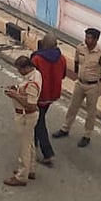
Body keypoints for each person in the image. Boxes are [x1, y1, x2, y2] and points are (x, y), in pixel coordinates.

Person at [53, 28, 101, 147]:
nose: (87, 40)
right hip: (80, 83)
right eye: (86, 37)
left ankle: (87, 135)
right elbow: (76, 61)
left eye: (90, 38)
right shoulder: (80, 48)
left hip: (93, 86)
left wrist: (98, 79)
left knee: (91, 111)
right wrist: (78, 73)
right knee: (72, 106)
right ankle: (65, 128)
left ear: (96, 39)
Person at [3, 56, 42, 186]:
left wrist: (15, 95)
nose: (18, 72)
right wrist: (16, 88)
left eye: (20, 69)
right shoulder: (35, 74)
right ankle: (30, 168)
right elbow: (24, 88)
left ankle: (21, 175)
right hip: (29, 116)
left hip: (26, 116)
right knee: (30, 143)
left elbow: (30, 104)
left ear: (26, 68)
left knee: (23, 147)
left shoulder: (32, 84)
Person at [31, 34, 66, 166]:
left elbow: (32, 76)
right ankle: (33, 141)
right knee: (40, 117)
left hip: (39, 95)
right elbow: (63, 76)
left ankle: (47, 153)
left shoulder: (37, 59)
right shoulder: (62, 58)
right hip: (52, 95)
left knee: (38, 122)